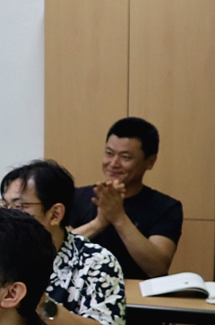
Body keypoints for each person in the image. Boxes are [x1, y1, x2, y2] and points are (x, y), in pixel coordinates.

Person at [0, 160, 126, 325]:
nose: (7, 217)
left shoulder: (96, 262)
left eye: (19, 207)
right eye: (4, 205)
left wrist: (41, 304)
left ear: (55, 214)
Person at [71, 117, 183, 279]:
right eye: (109, 153)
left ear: (150, 162)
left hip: (139, 300)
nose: (113, 163)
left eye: (125, 157)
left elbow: (158, 268)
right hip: (80, 296)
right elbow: (55, 252)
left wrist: (119, 218)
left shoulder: (166, 207)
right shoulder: (77, 197)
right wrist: (99, 223)